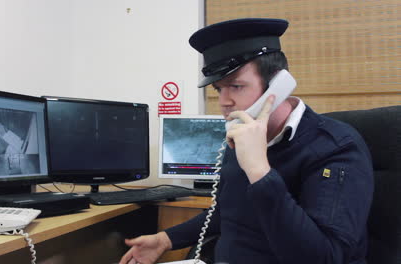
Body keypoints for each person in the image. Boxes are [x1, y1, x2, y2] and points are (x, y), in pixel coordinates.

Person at [120, 18, 373, 264]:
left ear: (279, 85)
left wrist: (260, 172)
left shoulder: (336, 147)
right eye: (219, 89)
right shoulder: (240, 137)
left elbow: (326, 257)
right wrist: (166, 239)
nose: (223, 101)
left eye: (237, 86)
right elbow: (229, 213)